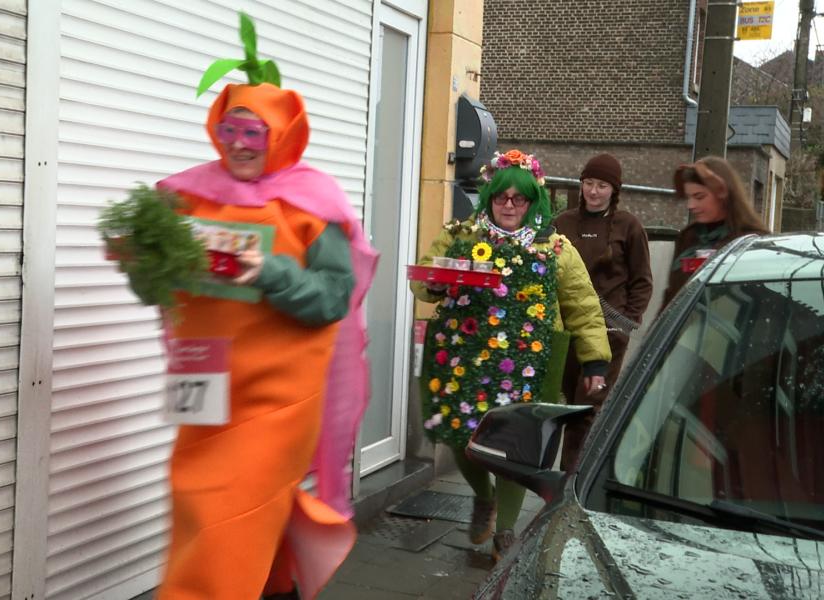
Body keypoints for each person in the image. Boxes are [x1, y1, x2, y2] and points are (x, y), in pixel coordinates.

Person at [151, 16, 378, 600]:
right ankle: (279, 587)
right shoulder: (189, 195)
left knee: (227, 510)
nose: (239, 144)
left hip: (278, 396)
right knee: (198, 498)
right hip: (204, 380)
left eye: (255, 132)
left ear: (282, 134)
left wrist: (269, 270)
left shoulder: (312, 202)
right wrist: (141, 257)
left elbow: (331, 298)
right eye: (230, 129)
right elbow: (162, 286)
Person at [410, 149, 610, 560]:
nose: (509, 205)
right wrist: (435, 284)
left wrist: (595, 361)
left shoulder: (554, 248)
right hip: (463, 355)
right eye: (501, 196)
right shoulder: (461, 235)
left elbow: (583, 305)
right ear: (489, 197)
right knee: (461, 435)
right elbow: (428, 276)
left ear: (533, 201)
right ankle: (483, 496)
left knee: (516, 446)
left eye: (519, 198)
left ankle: (505, 531)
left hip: (530, 363)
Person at [553, 154, 653, 471]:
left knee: (587, 406)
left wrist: (626, 324)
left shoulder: (629, 226)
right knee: (563, 403)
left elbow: (642, 281)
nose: (593, 192)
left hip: (609, 333)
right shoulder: (563, 223)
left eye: (601, 186)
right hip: (568, 330)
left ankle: (570, 481)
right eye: (588, 184)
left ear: (614, 190)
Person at [662, 156, 769, 308]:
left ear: (723, 193)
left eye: (699, 197)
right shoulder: (689, 236)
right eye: (688, 197)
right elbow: (671, 297)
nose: (690, 205)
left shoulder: (752, 240)